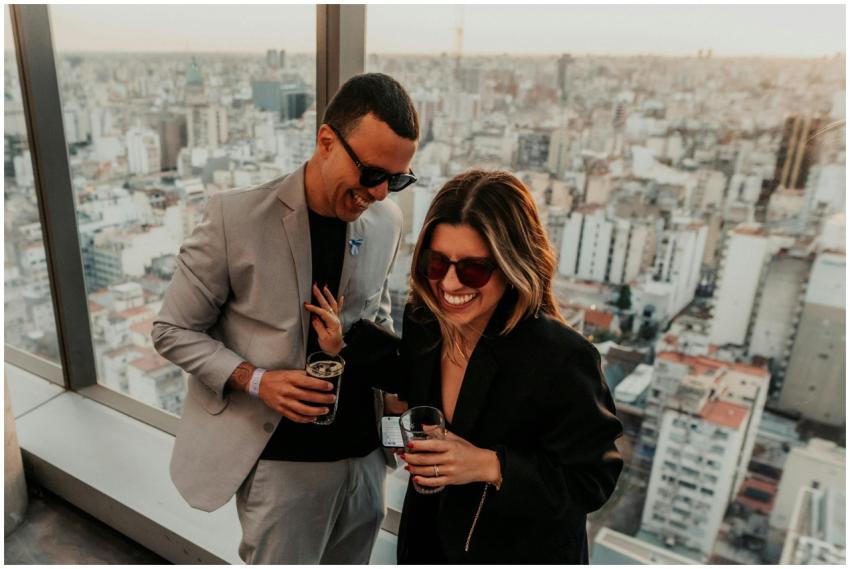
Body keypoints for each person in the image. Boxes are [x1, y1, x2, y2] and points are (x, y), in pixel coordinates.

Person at [151, 73, 419, 564]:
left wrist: (394, 422)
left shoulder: (387, 222)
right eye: (372, 173)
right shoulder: (236, 218)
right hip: (282, 464)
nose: (382, 193)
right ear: (326, 142)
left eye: (397, 180)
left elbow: (376, 316)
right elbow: (171, 330)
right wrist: (257, 380)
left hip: (364, 461)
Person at [308, 169, 624, 564]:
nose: (450, 284)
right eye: (436, 263)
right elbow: (411, 371)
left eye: (474, 269)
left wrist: (490, 465)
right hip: (427, 544)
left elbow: (592, 480)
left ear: (512, 264)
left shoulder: (562, 357)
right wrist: (344, 343)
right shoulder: (427, 320)